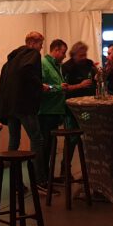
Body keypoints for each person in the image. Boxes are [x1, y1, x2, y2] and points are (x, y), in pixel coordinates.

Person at [0, 31, 49, 183]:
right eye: (40, 44)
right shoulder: (32, 54)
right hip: (24, 106)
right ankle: (39, 180)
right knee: (37, 139)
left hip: (9, 107)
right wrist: (40, 86)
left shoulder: (11, 60)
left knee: (14, 141)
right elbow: (26, 71)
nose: (41, 48)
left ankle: (15, 182)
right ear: (32, 43)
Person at [38, 39, 68, 185]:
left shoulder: (55, 66)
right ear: (55, 50)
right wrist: (58, 88)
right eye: (63, 52)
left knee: (50, 146)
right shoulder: (44, 64)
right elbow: (41, 86)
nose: (64, 56)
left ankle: (48, 176)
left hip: (54, 111)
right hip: (46, 112)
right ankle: (42, 179)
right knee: (45, 147)